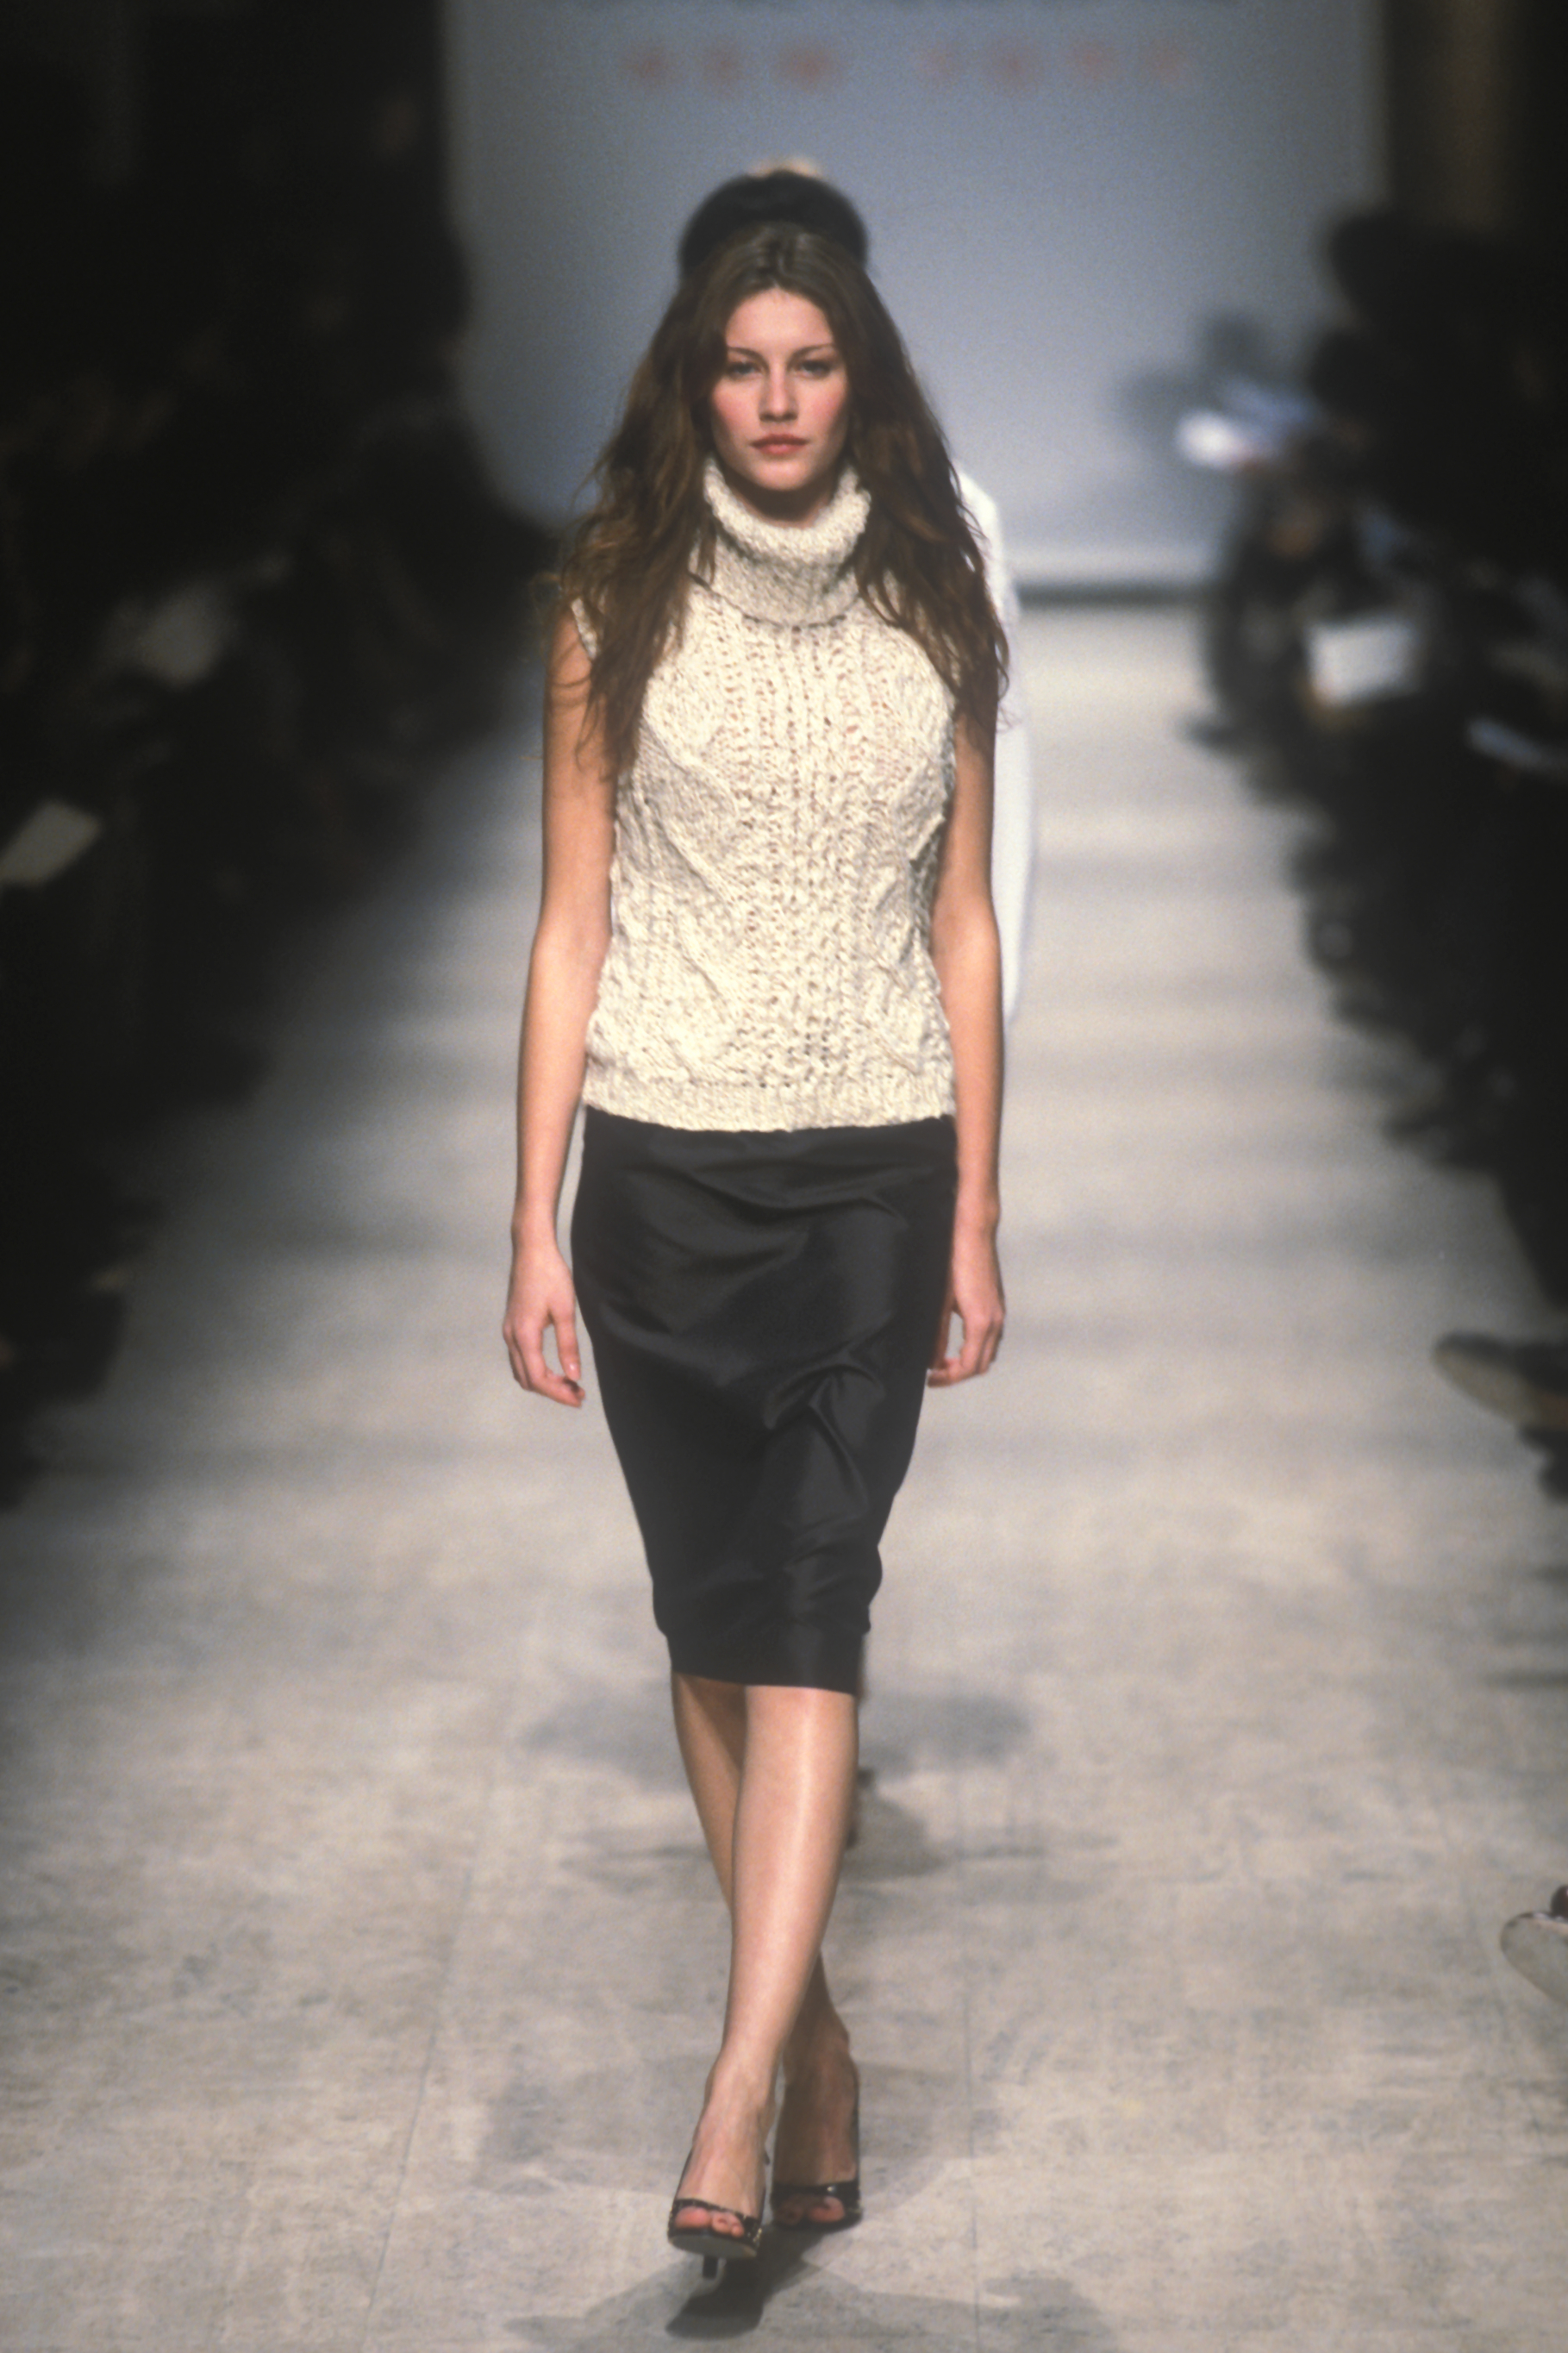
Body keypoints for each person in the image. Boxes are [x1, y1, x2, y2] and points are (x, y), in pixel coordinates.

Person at [502, 222, 1006, 2270]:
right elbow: (569, 923)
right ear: (693, 383)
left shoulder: (936, 601)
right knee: (709, 1625)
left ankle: (730, 2082)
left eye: (809, 361)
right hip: (659, 1180)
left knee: (808, 1601)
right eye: (741, 362)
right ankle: (816, 2050)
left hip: (872, 1172)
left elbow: (963, 922)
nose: (777, 398)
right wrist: (528, 1220)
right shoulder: (609, 605)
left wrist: (977, 1207)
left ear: (855, 376)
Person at [679, 168, 1034, 1024]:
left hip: (888, 1051)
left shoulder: (947, 532)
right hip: (676, 1053)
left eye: (810, 358)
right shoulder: (639, 551)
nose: (776, 397)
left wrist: (977, 1039)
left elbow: (995, 823)